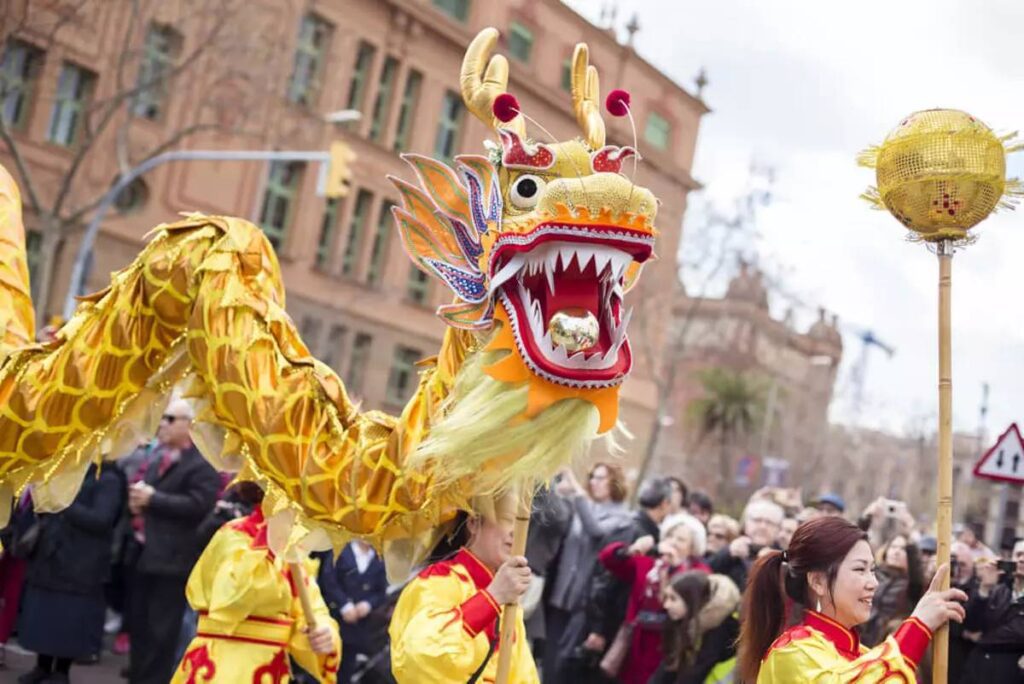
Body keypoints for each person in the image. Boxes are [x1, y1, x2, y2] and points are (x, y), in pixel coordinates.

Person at [738, 516, 968, 683]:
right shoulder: (791, 651)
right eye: (860, 569)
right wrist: (918, 627)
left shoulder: (864, 654)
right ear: (817, 581)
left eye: (873, 570)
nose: (873, 582)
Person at [171, 505, 341, 683]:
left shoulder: (294, 551)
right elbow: (232, 599)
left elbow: (313, 609)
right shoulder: (234, 533)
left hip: (270, 670)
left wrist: (323, 633)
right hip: (220, 664)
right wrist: (269, 544)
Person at [389, 497, 538, 683]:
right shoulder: (438, 581)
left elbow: (524, 675)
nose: (516, 531)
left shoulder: (509, 601)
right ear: (473, 523)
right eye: (507, 519)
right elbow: (421, 653)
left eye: (521, 521)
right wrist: (491, 598)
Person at [128, 398, 221, 684]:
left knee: (162, 632)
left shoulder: (203, 463)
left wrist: (154, 499)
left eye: (170, 419)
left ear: (189, 425)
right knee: (138, 626)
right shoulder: (159, 457)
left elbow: (199, 505)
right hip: (144, 554)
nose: (162, 425)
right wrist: (137, 503)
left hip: (173, 561)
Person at [16, 463, 124, 684]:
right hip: (50, 556)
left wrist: (62, 503)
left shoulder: (107, 478)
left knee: (69, 619)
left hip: (80, 563)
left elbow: (101, 519)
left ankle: (62, 671)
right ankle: (42, 666)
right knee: (45, 616)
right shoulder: (64, 470)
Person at [575, 478, 673, 681]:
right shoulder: (635, 531)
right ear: (665, 503)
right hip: (609, 622)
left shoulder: (644, 530)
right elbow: (607, 580)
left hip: (620, 621)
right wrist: (599, 629)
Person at [596, 512, 709, 684]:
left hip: (667, 643)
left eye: (681, 540)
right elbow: (608, 559)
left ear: (692, 547)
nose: (673, 542)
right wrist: (630, 550)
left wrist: (675, 566)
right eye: (670, 536)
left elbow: (687, 598)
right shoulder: (650, 563)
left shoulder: (698, 572)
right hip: (637, 640)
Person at [544, 464, 631, 682]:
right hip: (561, 593)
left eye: (600, 478)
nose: (593, 482)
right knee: (547, 658)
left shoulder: (622, 517)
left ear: (614, 483)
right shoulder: (583, 504)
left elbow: (596, 531)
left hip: (585, 604)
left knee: (563, 665)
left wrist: (577, 490)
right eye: (592, 477)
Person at [650, 571, 740, 684]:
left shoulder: (719, 630)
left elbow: (695, 674)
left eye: (673, 599)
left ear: (692, 600)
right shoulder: (684, 621)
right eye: (666, 598)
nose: (666, 605)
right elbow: (668, 667)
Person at [317, 539, 387, 683]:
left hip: (357, 626)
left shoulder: (379, 558)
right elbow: (327, 580)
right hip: (333, 619)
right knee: (322, 666)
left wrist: (368, 604)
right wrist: (344, 605)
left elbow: (381, 591)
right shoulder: (340, 550)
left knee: (346, 668)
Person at [959, 539, 1023, 683]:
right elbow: (971, 624)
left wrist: (984, 638)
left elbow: (1019, 632)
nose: (1022, 559)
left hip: (1011, 672)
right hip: (978, 669)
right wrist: (984, 588)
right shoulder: (998, 590)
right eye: (1018, 554)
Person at [859, 533, 924, 647]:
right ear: (886, 551)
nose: (896, 552)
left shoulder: (911, 584)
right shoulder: (873, 574)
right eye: (893, 547)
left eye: (902, 549)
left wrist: (911, 548)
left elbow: (917, 579)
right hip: (862, 634)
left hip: (889, 641)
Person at [709, 498, 783, 590]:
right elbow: (707, 571)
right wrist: (728, 553)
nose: (763, 526)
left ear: (778, 530)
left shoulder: (783, 558)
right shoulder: (731, 550)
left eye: (769, 523)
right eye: (757, 520)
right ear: (747, 524)